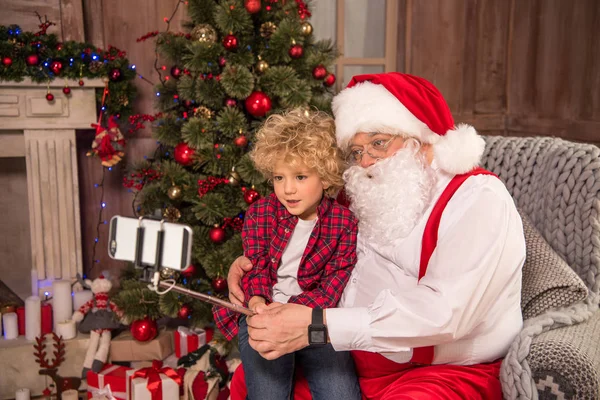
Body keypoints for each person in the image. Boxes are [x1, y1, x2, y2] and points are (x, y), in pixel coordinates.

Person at [226, 72, 526, 399]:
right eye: (356, 151)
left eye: (378, 143)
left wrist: (317, 326)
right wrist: (247, 272)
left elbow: (445, 315)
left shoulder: (478, 198)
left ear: (421, 138)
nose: (366, 161)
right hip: (344, 351)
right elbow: (293, 241)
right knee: (251, 379)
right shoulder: (361, 193)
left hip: (436, 373)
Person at [212, 109, 361, 400]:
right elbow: (254, 266)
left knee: (340, 393)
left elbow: (333, 283)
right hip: (262, 312)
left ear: (325, 176)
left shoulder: (344, 223)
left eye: (301, 176)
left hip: (314, 316)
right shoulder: (261, 212)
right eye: (279, 177)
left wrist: (295, 313)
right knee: (268, 392)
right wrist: (256, 301)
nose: (288, 189)